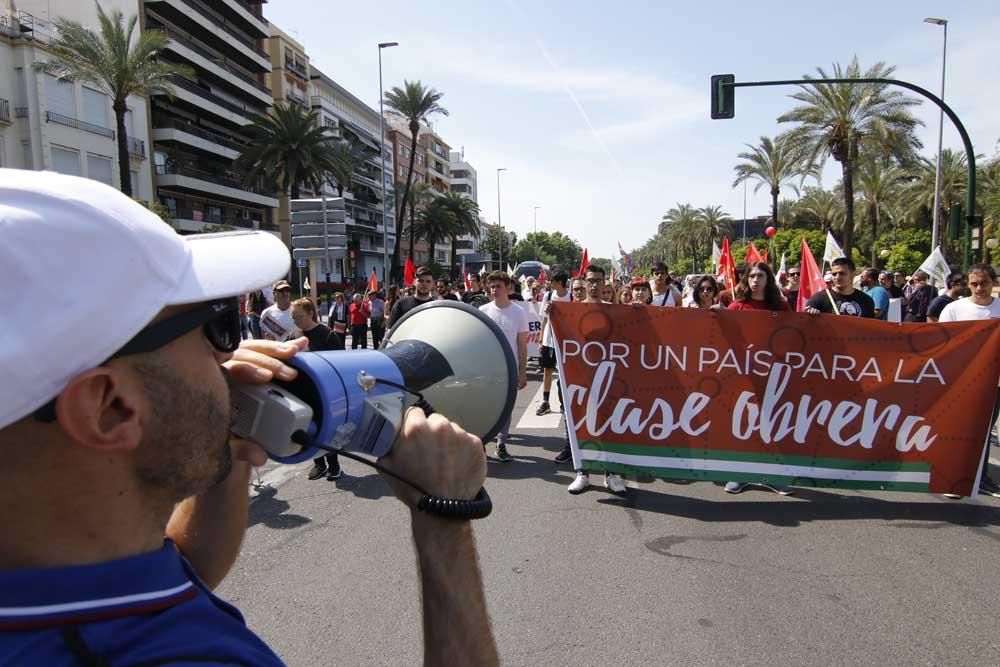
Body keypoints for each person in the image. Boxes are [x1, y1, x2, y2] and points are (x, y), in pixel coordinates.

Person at [0, 169, 498, 666]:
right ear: (109, 408)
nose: (234, 353)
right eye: (216, 327)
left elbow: (184, 565)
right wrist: (444, 519)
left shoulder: (61, 570)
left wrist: (231, 447)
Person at [938, 263, 1000, 498]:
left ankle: (980, 477)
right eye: (974, 283)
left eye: (984, 282)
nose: (979, 288)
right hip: (961, 381)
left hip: (994, 382)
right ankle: (951, 479)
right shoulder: (954, 310)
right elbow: (941, 343)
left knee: (983, 431)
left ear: (993, 282)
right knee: (957, 428)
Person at [567, 265, 628, 495]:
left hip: (610, 378)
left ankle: (611, 473)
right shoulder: (570, 312)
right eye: (590, 281)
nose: (594, 285)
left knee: (610, 425)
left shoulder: (616, 311)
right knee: (582, 424)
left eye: (598, 281)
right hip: (581, 379)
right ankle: (583, 472)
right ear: (584, 282)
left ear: (605, 283)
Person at [291, 298, 346, 481]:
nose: (296, 321)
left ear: (311, 314)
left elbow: (339, 364)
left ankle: (334, 465)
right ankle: (319, 465)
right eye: (293, 317)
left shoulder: (327, 335)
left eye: (299, 316)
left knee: (326, 429)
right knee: (310, 429)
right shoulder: (294, 335)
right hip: (301, 392)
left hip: (323, 392)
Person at [478, 271, 529, 462]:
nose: (494, 290)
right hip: (486, 370)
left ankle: (501, 444)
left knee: (505, 409)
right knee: (485, 408)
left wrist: (522, 372)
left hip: (509, 370)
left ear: (508, 287)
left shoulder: (519, 312)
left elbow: (522, 344)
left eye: (498, 286)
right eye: (491, 286)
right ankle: (480, 444)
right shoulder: (483, 310)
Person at [537, 271, 571, 418]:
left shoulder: (571, 297)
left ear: (560, 282)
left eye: (553, 280)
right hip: (549, 339)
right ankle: (545, 401)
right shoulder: (548, 296)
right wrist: (541, 338)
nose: (550, 283)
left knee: (566, 372)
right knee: (547, 369)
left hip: (566, 341)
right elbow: (545, 319)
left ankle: (566, 402)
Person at [804, 257, 876, 318]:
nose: (837, 277)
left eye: (842, 273)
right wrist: (811, 315)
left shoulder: (866, 301)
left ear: (852, 274)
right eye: (834, 274)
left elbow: (871, 329)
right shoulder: (819, 299)